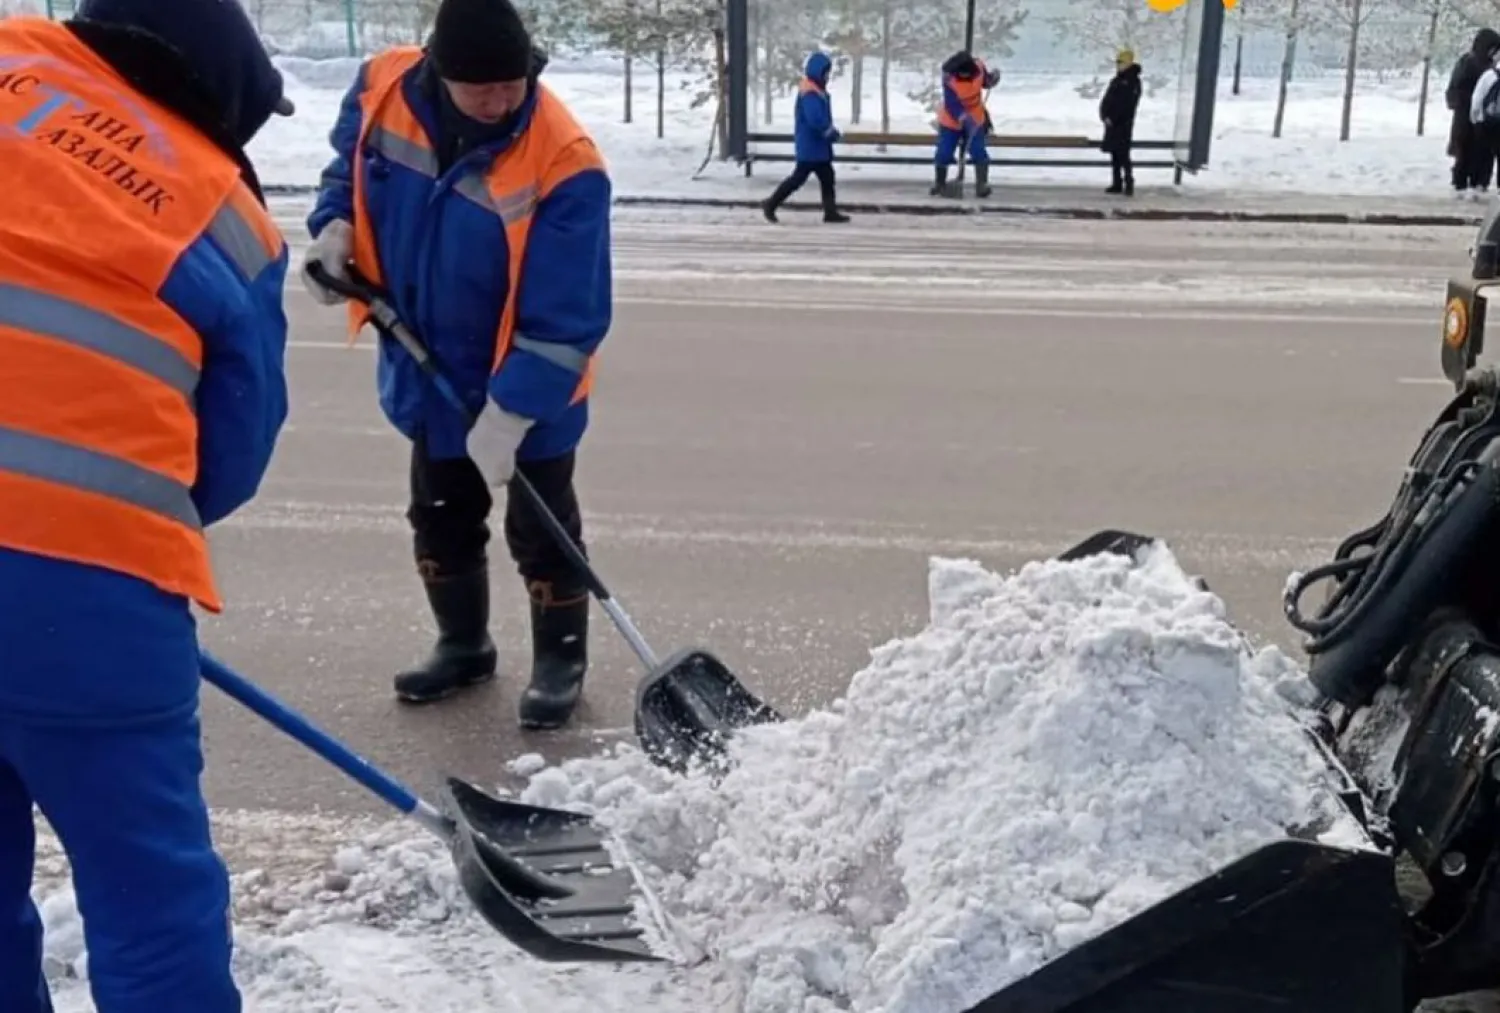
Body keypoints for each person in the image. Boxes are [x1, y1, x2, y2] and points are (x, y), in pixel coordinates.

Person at [0, 0, 293, 1010]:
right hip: (85, 600)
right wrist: (101, 534)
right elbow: (229, 456)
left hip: (66, 584)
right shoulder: (221, 213)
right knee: (148, 897)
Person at [301, 0, 612, 730]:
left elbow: (569, 315)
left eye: (513, 84)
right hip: (424, 361)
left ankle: (560, 660)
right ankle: (464, 643)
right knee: (440, 511)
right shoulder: (383, 88)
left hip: (530, 385)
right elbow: (348, 164)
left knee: (542, 527)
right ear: (442, 74)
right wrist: (333, 226)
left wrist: (514, 408)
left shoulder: (565, 161)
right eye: (483, 89)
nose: (502, 100)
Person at [762, 51, 850, 224]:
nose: (828, 76)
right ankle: (771, 203)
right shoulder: (810, 92)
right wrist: (828, 131)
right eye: (826, 72)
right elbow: (815, 118)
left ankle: (830, 212)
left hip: (816, 146)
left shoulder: (814, 89)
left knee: (826, 177)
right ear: (819, 72)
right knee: (798, 179)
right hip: (812, 145)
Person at [933, 50, 1000, 198]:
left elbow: (985, 82)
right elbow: (951, 102)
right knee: (944, 152)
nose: (963, 76)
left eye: (965, 74)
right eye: (960, 74)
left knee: (978, 151)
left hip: (976, 119)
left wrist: (992, 80)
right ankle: (940, 183)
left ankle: (982, 184)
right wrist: (962, 117)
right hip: (951, 121)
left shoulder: (979, 67)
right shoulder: (949, 77)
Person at [1448, 28, 1500, 199]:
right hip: (1468, 117)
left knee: (1481, 152)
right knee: (1468, 150)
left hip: (1481, 118)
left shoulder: (1488, 66)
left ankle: (1475, 183)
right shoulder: (1470, 63)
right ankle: (1465, 183)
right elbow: (1454, 90)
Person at [1099, 48, 1142, 197]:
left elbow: (1128, 104)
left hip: (1123, 124)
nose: (1118, 65)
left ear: (1129, 63)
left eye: (1121, 62)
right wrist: (1104, 115)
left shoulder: (1133, 82)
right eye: (1118, 62)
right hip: (1112, 123)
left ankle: (1128, 181)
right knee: (1115, 154)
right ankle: (1117, 182)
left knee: (1123, 154)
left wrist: (1115, 117)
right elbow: (1107, 99)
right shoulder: (1117, 80)